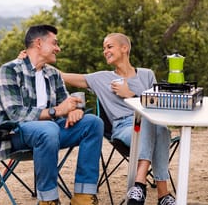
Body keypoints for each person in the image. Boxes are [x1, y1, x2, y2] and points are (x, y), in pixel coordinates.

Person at [0, 24, 104, 205]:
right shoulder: (10, 70)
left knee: (93, 123)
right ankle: (48, 200)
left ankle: (83, 195)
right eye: (55, 43)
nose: (58, 49)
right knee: (48, 128)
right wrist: (56, 111)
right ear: (38, 43)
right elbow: (14, 113)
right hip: (15, 134)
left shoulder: (53, 74)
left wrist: (74, 111)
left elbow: (65, 103)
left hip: (50, 131)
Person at [60, 33, 176, 205]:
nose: (105, 51)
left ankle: (139, 184)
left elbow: (156, 106)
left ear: (124, 48)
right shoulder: (101, 78)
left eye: (109, 46)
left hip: (150, 123)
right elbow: (62, 75)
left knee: (156, 125)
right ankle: (162, 194)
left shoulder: (147, 75)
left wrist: (130, 95)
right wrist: (33, 61)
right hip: (124, 128)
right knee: (155, 126)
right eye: (104, 48)